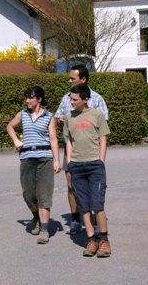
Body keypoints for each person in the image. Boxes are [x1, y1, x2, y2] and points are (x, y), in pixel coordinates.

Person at [55, 64, 109, 235]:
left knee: (93, 189)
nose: (69, 80)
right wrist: (62, 121)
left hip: (91, 152)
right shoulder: (66, 98)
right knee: (72, 186)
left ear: (83, 79)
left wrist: (100, 159)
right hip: (71, 149)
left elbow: (102, 127)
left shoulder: (97, 99)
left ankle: (95, 221)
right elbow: (59, 117)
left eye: (72, 78)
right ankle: (76, 219)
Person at [7, 86, 61, 244]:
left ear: (39, 99)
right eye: (26, 97)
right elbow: (10, 126)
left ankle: (44, 230)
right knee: (28, 194)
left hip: (45, 158)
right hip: (27, 158)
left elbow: (53, 139)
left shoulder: (49, 116)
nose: (27, 100)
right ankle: (36, 217)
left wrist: (57, 160)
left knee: (44, 193)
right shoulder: (22, 114)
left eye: (30, 97)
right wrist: (16, 140)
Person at [64, 84, 111, 257]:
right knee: (83, 206)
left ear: (86, 99)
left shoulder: (97, 115)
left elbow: (103, 139)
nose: (71, 102)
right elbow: (68, 140)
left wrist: (101, 161)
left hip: (94, 166)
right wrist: (69, 161)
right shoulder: (69, 117)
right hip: (76, 166)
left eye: (75, 99)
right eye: (71, 98)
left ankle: (104, 241)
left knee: (97, 205)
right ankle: (91, 240)